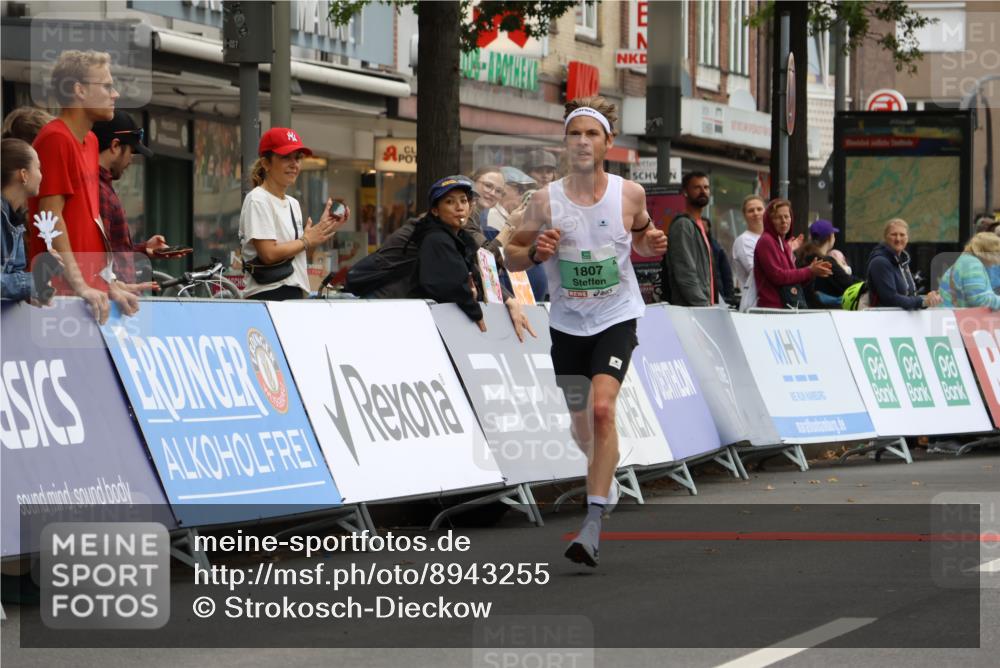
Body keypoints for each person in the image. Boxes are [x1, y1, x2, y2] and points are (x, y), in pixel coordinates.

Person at [506, 96, 667, 568]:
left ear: (608, 143)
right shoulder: (545, 200)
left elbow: (641, 233)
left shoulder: (630, 194)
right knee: (582, 426)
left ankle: (593, 523)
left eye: (591, 133)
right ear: (564, 143)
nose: (582, 141)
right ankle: (605, 475)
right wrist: (537, 249)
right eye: (574, 133)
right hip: (567, 322)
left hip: (616, 316)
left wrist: (648, 241)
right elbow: (511, 254)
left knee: (601, 409)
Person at [28, 50, 138, 324]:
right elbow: (51, 218)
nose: (115, 94)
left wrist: (107, 280)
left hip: (88, 294)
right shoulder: (55, 138)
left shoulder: (89, 141)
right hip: (58, 295)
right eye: (106, 86)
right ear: (78, 90)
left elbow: (92, 221)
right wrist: (80, 285)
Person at [239, 127, 348, 300]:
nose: (294, 164)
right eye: (285, 157)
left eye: (297, 158)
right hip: (268, 295)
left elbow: (299, 252)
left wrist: (323, 228)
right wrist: (306, 240)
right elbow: (268, 254)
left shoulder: (293, 203)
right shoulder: (258, 199)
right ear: (266, 163)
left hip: (294, 292)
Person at [92, 110, 174, 291]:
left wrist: (143, 249)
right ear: (115, 146)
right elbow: (98, 254)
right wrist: (116, 289)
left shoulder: (102, 186)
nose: (131, 160)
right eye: (131, 151)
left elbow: (112, 249)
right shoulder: (99, 190)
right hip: (113, 301)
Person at [409, 176, 488, 328]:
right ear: (435, 211)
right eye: (450, 202)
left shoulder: (462, 237)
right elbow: (454, 286)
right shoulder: (436, 239)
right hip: (430, 323)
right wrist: (476, 313)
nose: (459, 207)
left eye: (464, 201)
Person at [2, 138, 61, 303]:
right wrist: (32, 283)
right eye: (38, 168)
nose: (42, 175)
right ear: (24, 175)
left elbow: (13, 277)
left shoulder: (14, 220)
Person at [753, 198, 832, 309]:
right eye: (777, 217)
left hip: (786, 307)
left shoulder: (783, 243)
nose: (784, 221)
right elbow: (778, 276)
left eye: (787, 216)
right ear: (769, 220)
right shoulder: (766, 241)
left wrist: (813, 272)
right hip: (773, 310)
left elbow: (792, 280)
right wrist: (809, 271)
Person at [865, 218, 942, 310]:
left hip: (902, 321)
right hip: (883, 321)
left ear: (907, 238)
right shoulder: (880, 262)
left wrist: (928, 298)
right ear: (885, 237)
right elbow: (890, 298)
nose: (898, 239)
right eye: (893, 234)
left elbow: (910, 295)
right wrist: (922, 301)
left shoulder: (902, 262)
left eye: (902, 235)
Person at [663, 171, 715, 306]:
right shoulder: (683, 225)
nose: (703, 191)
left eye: (706, 187)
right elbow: (685, 271)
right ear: (685, 192)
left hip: (704, 306)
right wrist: (702, 305)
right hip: (692, 310)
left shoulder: (700, 225)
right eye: (697, 187)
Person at [797, 219, 861, 307]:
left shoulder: (803, 256)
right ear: (830, 237)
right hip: (825, 312)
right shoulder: (827, 261)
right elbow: (850, 284)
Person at [939, 232, 1000, 309]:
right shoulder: (972, 264)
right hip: (956, 318)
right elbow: (978, 299)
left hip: (952, 315)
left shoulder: (967, 260)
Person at [731, 194, 765, 292]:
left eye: (759, 209)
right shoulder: (743, 240)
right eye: (751, 210)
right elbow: (755, 272)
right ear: (744, 215)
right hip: (754, 302)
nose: (756, 213)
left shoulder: (773, 238)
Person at [704, 218, 734, 304]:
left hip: (718, 294)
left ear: (709, 228)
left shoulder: (716, 248)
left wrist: (729, 297)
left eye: (704, 226)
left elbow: (726, 274)